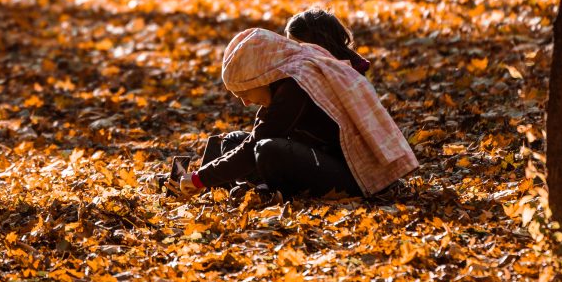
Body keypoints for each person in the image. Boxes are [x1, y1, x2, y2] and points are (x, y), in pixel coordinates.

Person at [174, 28, 417, 200]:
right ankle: (251, 188)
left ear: (261, 77)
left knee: (268, 150)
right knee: (232, 140)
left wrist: (199, 179)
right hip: (317, 158)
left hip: (353, 176)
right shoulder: (284, 81)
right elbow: (253, 138)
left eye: (244, 93)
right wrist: (200, 177)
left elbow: (255, 146)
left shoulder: (297, 85)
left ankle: (260, 190)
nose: (246, 102)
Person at [284, 7, 371, 75]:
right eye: (290, 45)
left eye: (299, 46)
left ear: (322, 43)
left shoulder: (351, 72)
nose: (293, 52)